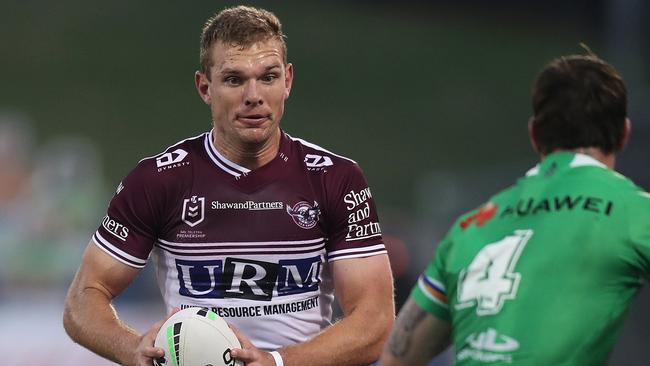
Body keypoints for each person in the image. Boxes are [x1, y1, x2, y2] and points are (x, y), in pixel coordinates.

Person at [63, 5, 394, 366]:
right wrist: (130, 348)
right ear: (205, 87)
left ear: (288, 81)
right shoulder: (158, 180)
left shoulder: (335, 179)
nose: (253, 95)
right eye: (235, 79)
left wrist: (277, 362)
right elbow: (83, 300)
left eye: (267, 77)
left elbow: (375, 323)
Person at [379, 53, 650, 366]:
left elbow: (396, 358)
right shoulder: (634, 212)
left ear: (535, 135)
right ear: (624, 134)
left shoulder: (470, 226)